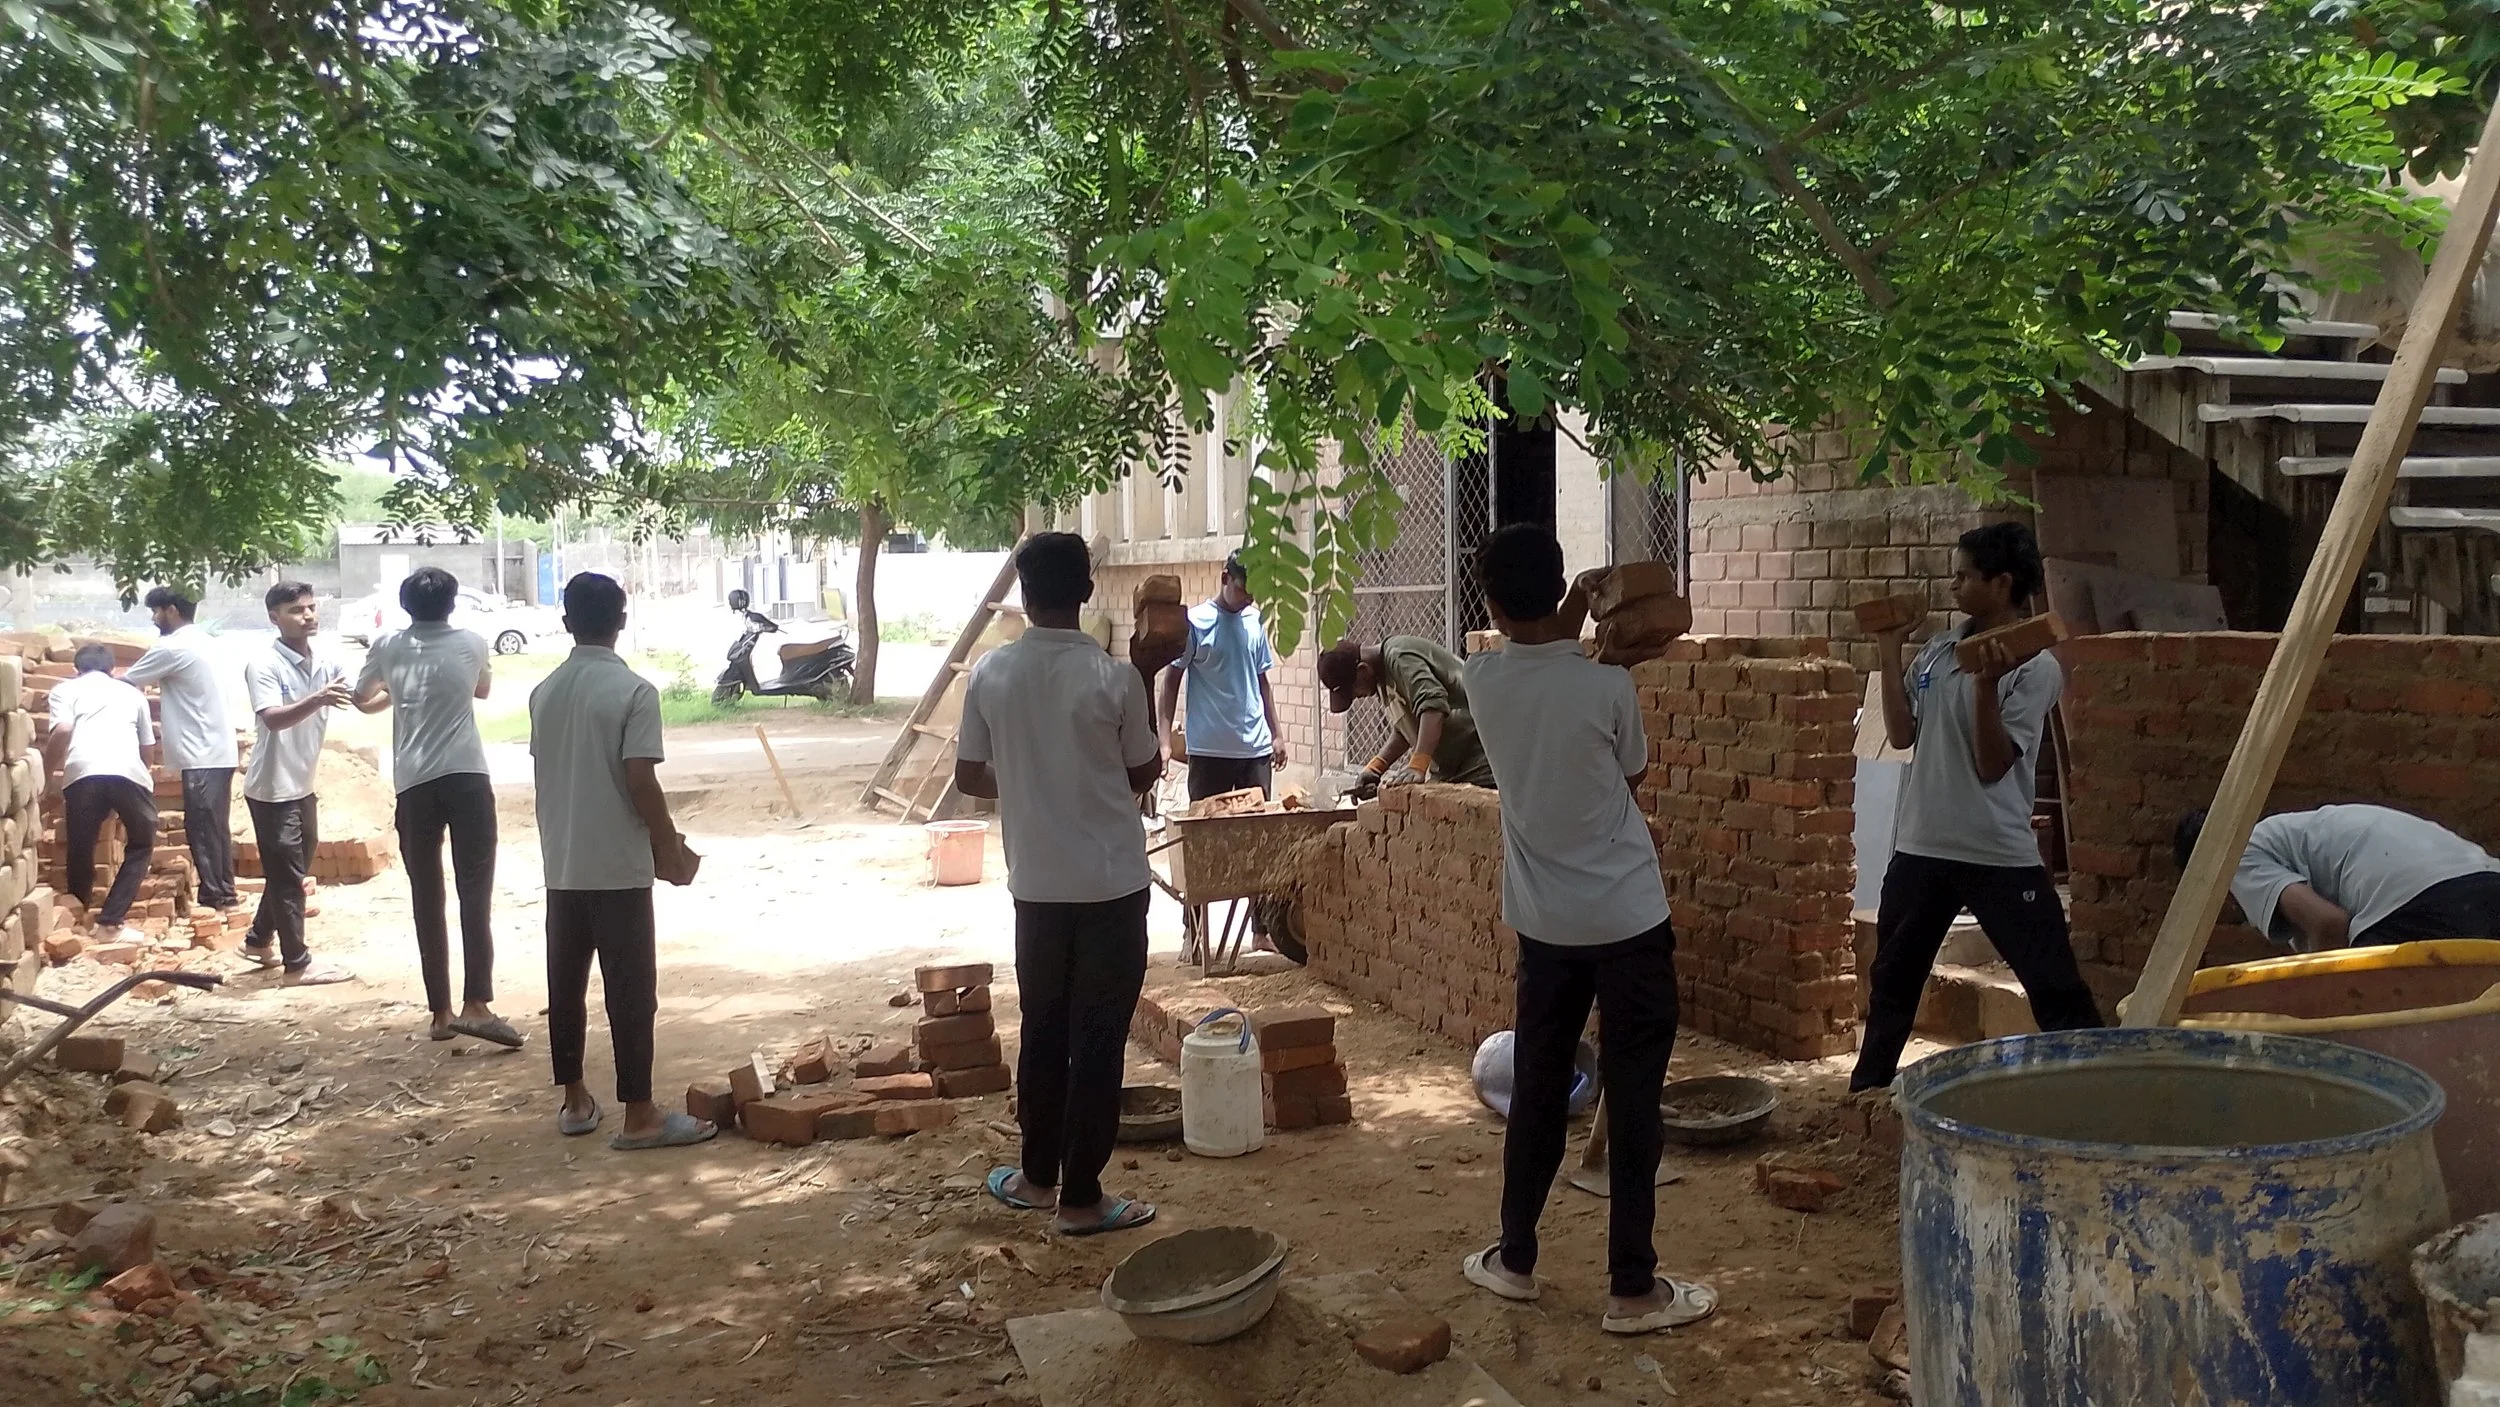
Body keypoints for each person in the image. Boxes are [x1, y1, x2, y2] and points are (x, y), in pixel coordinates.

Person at [1454, 526, 1718, 1335]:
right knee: (1636, 1096)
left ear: (1490, 605)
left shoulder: (1481, 678)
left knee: (1539, 1089)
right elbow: (1632, 769)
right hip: (1631, 917)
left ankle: (1516, 1258)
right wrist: (1593, 612)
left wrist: (1568, 606)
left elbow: (1537, 649)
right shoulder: (1609, 688)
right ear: (1560, 586)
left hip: (1548, 929)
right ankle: (1632, 1289)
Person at [958, 533, 1173, 1236]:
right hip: (1111, 885)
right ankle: (1082, 1198)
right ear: (1086, 591)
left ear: (1024, 594)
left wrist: (1025, 781)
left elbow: (968, 775)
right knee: (1100, 1036)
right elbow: (1143, 772)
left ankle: (1035, 1174)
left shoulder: (989, 675)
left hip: (1038, 888)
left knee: (1044, 1030)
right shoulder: (1113, 678)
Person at [1852, 521, 2103, 1091]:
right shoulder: (1941, 651)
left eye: (1965, 575)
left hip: (1998, 853)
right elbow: (1900, 734)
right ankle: (1864, 1099)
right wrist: (1890, 650)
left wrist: (1988, 686)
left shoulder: (2034, 667)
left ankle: (2097, 1090)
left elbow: (1992, 767)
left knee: (2055, 989)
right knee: (1892, 981)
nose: (1954, 585)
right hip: (1922, 847)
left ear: (2002, 583)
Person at [528, 572, 712, 1151]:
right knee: (631, 991)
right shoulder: (635, 693)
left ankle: (576, 1099)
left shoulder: (544, 692)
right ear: (622, 621)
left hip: (561, 861)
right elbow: (639, 778)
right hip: (617, 865)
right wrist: (668, 843)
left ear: (566, 623)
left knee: (567, 984)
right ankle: (639, 1114)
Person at [355, 567, 520, 1047]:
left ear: (406, 607)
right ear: (453, 604)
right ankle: (479, 1003)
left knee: (426, 896)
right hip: (468, 776)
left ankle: (440, 1014)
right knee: (476, 890)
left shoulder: (387, 646)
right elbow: (481, 690)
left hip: (415, 782)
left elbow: (362, 696)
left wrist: (397, 696)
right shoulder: (473, 641)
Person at [2176, 803, 2500, 953]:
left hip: (2417, 903)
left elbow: (2329, 925)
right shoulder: (2294, 830)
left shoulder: (2231, 855)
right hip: (2487, 883)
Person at [240, 582, 355, 985]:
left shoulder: (324, 662)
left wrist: (397, 689)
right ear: (274, 618)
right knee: (290, 877)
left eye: (310, 607)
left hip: (302, 785)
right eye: (295, 610)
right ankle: (297, 964)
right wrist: (319, 699)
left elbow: (359, 696)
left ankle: (257, 940)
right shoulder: (264, 664)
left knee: (290, 869)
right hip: (272, 790)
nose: (307, 615)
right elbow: (272, 718)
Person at [123, 587, 240, 911]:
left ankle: (219, 896)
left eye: (156, 611)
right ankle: (222, 892)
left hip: (201, 752)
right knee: (214, 826)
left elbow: (128, 682)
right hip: (217, 749)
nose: (153, 618)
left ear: (171, 610)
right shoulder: (207, 642)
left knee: (203, 827)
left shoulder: (173, 647)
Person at [43, 645, 159, 942]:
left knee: (80, 845)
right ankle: (110, 923)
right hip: (128, 770)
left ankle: (75, 915)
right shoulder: (132, 693)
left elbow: (63, 729)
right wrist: (143, 780)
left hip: (82, 773)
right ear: (113, 670)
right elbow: (148, 746)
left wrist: (44, 775)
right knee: (141, 844)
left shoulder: (64, 689)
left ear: (76, 669)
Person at [1155, 551, 1286, 802]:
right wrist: (1165, 743)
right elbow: (1170, 683)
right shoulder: (1195, 623)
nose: (1249, 598)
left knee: (1259, 833)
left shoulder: (1255, 621)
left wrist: (1276, 735)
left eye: (1254, 593)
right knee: (1209, 834)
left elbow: (1262, 683)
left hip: (1255, 752)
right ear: (1225, 578)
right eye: (1243, 590)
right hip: (1210, 754)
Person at [1316, 633, 1496, 791]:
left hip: (1480, 764)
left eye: (1353, 691)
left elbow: (1433, 708)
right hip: (1453, 771)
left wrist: (1417, 766)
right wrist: (1375, 768)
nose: (1357, 697)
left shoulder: (1400, 658)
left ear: (1363, 670)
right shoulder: (1380, 680)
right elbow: (1405, 729)